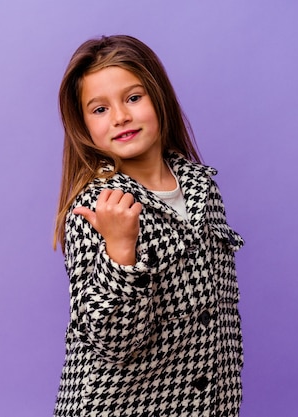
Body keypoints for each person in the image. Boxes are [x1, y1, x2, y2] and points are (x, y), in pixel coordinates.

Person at [52, 35, 244, 417]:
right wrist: (121, 252)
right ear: (83, 123)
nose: (120, 116)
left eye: (133, 98)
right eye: (99, 108)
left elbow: (218, 316)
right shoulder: (96, 207)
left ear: (159, 98)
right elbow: (114, 343)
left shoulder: (203, 188)